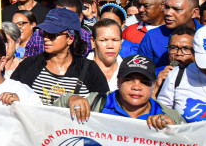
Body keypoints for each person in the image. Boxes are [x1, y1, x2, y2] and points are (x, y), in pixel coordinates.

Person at [11, 8, 109, 104]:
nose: (46, 38)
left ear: (70, 38)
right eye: (44, 33)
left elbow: (104, 104)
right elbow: (11, 91)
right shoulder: (29, 64)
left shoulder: (89, 69)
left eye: (53, 34)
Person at [56, 55, 184, 128]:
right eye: (129, 80)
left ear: (153, 86)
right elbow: (49, 115)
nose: (136, 87)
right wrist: (70, 99)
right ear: (118, 82)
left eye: (144, 82)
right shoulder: (97, 103)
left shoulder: (168, 115)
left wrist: (174, 131)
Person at [139, 0, 200, 69]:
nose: (168, 13)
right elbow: (141, 72)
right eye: (167, 7)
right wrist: (159, 74)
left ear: (194, 13)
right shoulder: (152, 37)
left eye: (177, 9)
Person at [24, 0, 93, 58]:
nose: (46, 38)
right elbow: (27, 62)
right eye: (44, 34)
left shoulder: (88, 38)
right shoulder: (37, 36)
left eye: (67, 16)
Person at [154, 26, 196, 93]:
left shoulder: (204, 74)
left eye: (186, 48)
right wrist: (157, 86)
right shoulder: (155, 74)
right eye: (173, 48)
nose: (179, 53)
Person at [88, 19, 124, 92]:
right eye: (103, 40)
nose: (110, 46)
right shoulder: (80, 69)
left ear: (121, 42)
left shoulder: (129, 71)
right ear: (93, 42)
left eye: (115, 40)